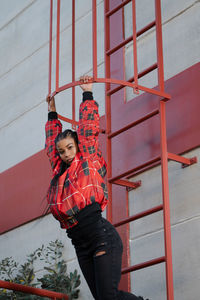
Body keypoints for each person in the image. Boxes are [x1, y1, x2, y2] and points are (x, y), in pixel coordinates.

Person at [45, 75, 148, 300]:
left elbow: (88, 128)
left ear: (77, 146)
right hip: (80, 245)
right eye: (62, 151)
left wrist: (87, 93)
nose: (66, 154)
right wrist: (52, 112)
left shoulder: (86, 159)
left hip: (101, 237)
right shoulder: (59, 171)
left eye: (70, 148)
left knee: (108, 298)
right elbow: (51, 144)